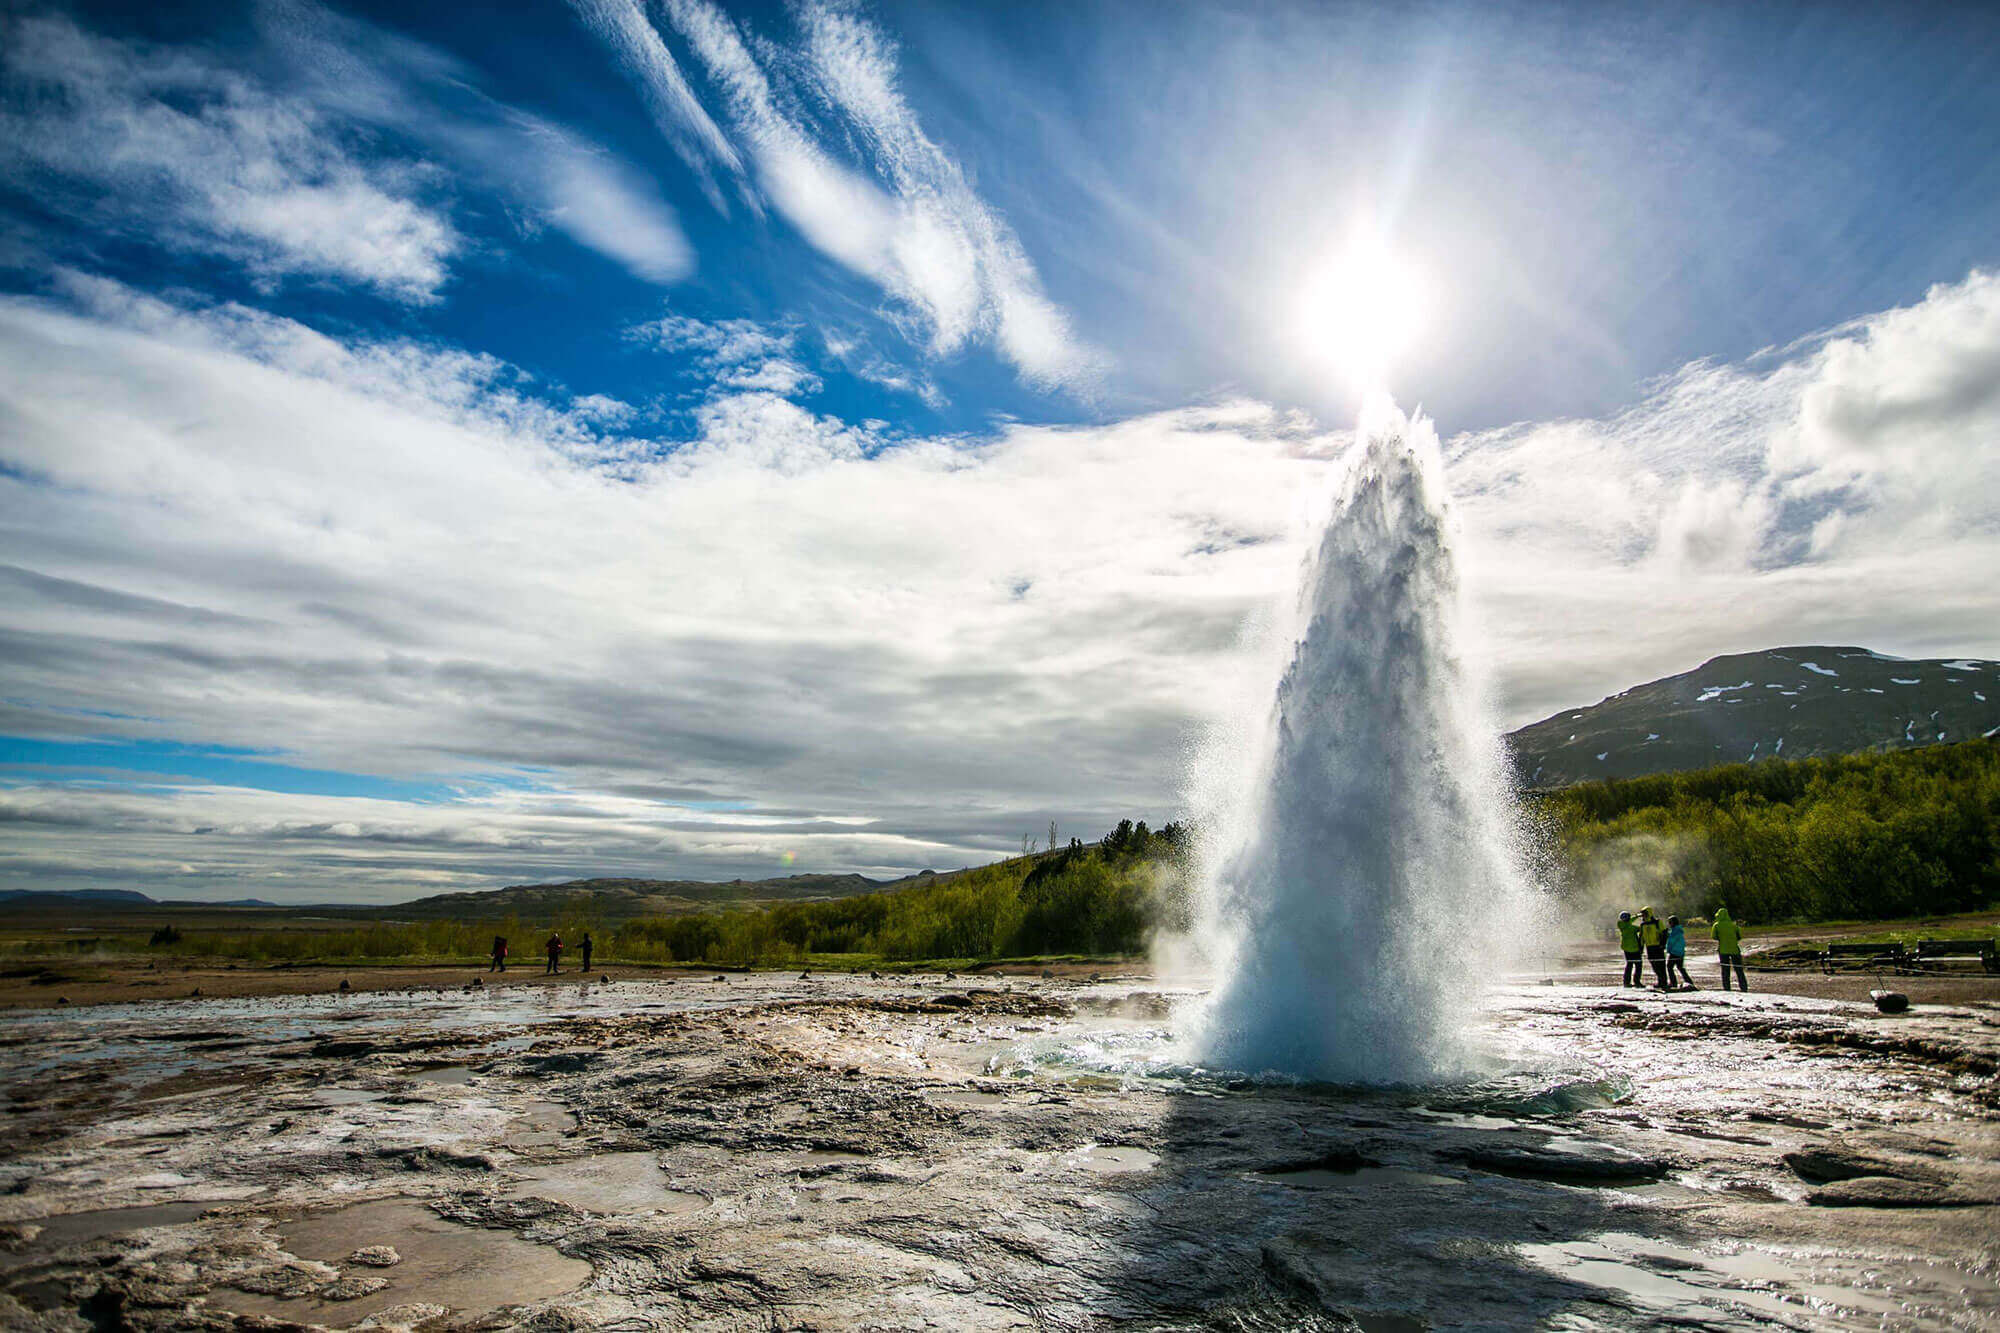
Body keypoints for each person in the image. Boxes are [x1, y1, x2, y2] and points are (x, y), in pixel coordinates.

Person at [1713, 907, 1748, 991]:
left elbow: (1714, 936)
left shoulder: (1716, 925)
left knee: (1725, 970)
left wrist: (1722, 938)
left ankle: (1727, 988)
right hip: (1735, 950)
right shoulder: (1734, 925)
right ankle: (1743, 987)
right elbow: (1739, 937)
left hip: (1723, 950)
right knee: (1739, 970)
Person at [1639, 907, 1669, 989]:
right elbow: (1641, 937)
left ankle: (1663, 982)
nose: (1643, 915)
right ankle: (1660, 981)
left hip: (1658, 947)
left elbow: (1664, 933)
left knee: (1661, 965)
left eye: (1645, 913)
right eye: (1642, 914)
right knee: (1654, 965)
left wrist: (1663, 944)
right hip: (1649, 947)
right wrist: (1641, 948)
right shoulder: (1643, 925)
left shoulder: (1657, 922)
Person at [1665, 916, 1696, 989]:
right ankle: (1688, 981)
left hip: (1675, 952)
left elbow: (1671, 941)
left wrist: (1668, 949)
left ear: (1673, 922)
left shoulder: (1675, 931)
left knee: (1669, 967)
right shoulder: (1678, 930)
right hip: (1680, 952)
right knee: (1680, 967)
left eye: (1670, 922)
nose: (1669, 924)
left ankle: (1673, 983)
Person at [1616, 911, 1642, 987]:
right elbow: (1641, 928)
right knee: (1638, 965)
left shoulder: (1621, 924)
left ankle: (1626, 982)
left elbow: (1630, 920)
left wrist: (1637, 916)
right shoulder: (1632, 928)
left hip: (1626, 949)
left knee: (1629, 965)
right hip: (1635, 948)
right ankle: (1637, 982)